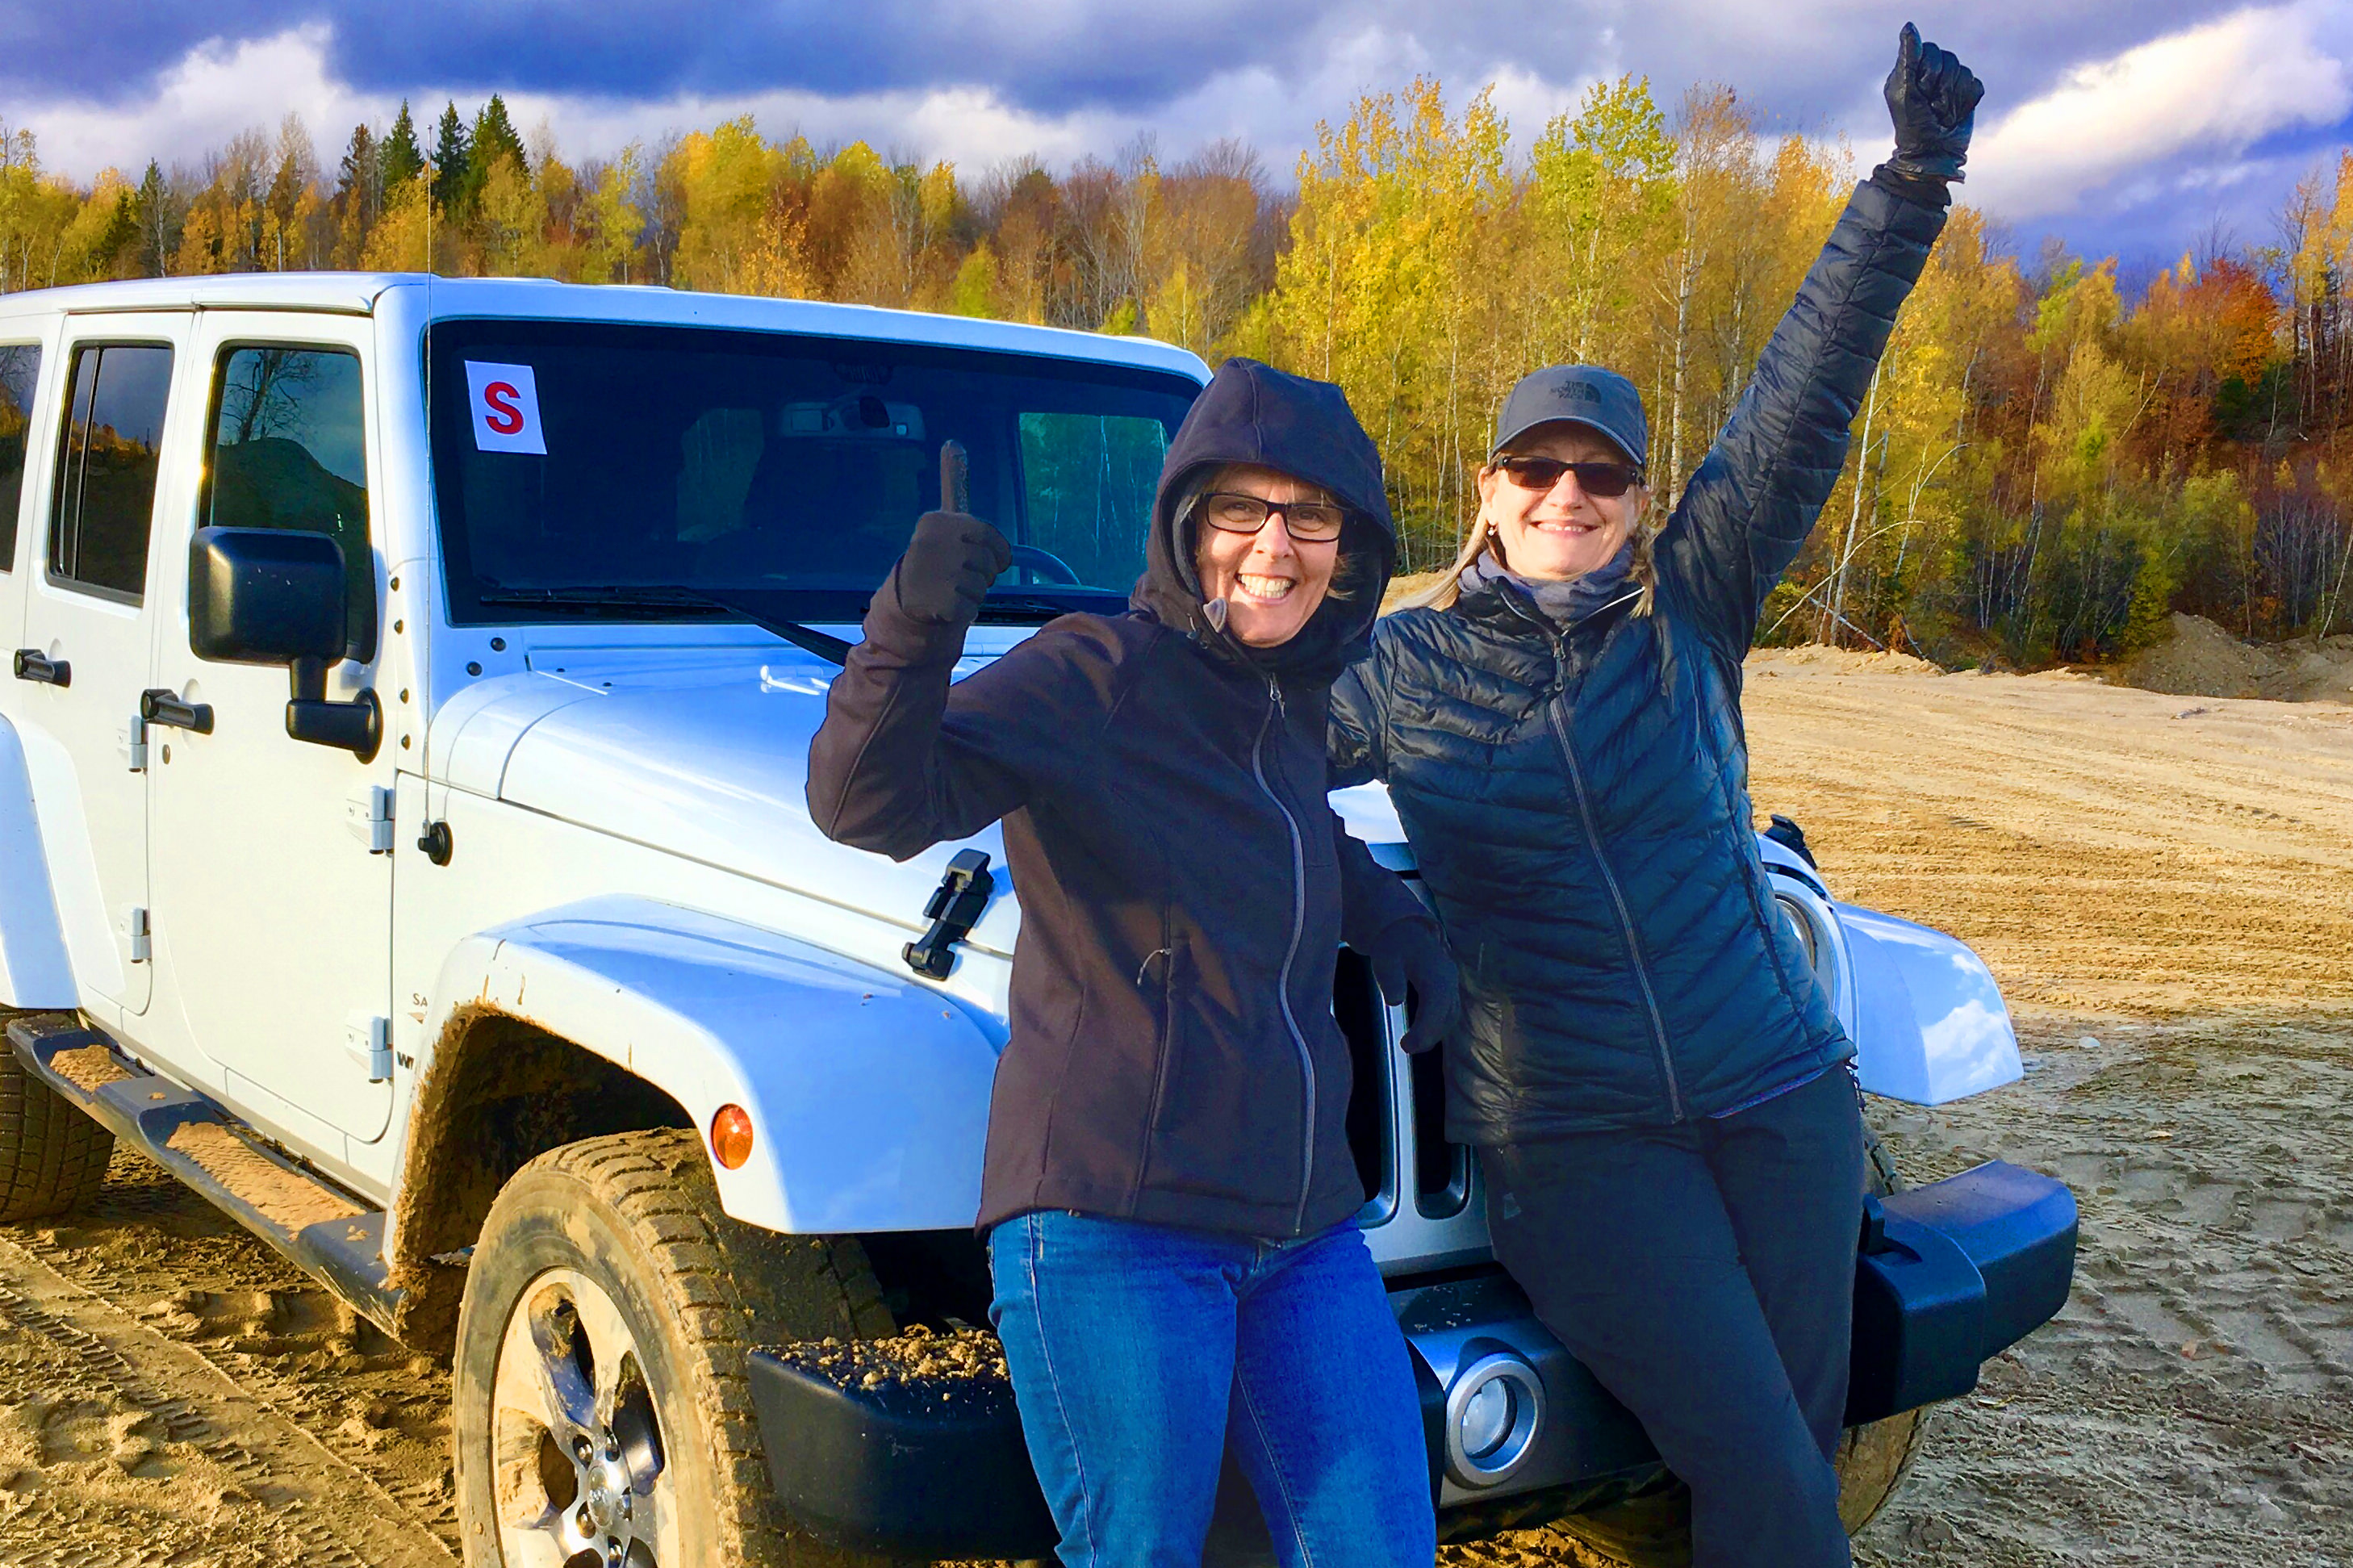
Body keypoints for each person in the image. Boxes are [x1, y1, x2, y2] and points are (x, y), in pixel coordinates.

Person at [1327, 25, 1982, 1568]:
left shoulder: (1690, 608)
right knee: (1762, 1468)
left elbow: (1806, 398)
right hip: (1577, 1138)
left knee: (1786, 1460)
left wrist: (1908, 183)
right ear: (1485, 489)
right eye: (1536, 470)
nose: (1568, 496)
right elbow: (1232, 766)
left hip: (1781, 1100)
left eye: (1599, 474)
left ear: (1638, 498)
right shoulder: (1401, 666)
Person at [807, 358, 1457, 1568]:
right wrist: (913, 616)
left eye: (1310, 514)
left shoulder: (1287, 696)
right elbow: (864, 802)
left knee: (1377, 1548)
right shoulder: (1096, 671)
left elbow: (1287, 830)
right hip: (1118, 1224)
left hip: (1302, 1226)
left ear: (1348, 544)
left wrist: (1399, 924)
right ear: (1186, 519)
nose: (1276, 545)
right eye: (1241, 510)